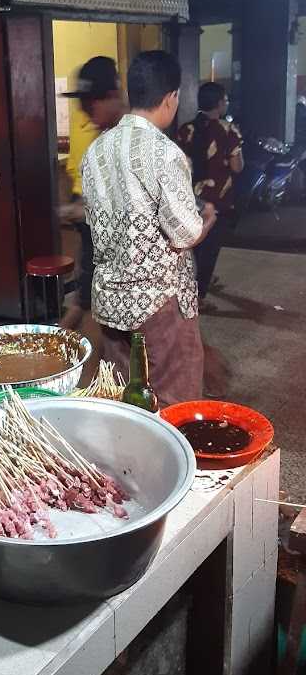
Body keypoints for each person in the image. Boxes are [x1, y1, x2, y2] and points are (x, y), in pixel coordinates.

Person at [81, 50, 216, 408]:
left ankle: (131, 463)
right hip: (159, 305)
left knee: (126, 399)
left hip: (111, 301)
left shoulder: (95, 152)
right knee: (175, 401)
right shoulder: (164, 153)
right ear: (171, 98)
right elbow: (185, 232)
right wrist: (207, 219)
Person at [59, 56, 123, 329]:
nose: (84, 112)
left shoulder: (128, 139)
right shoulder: (103, 136)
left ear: (111, 96)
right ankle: (78, 308)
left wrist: (84, 209)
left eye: (89, 103)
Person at [177, 82, 244, 309]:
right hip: (218, 201)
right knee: (211, 249)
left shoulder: (185, 130)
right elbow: (237, 167)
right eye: (225, 100)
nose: (226, 104)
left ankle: (200, 280)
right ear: (218, 104)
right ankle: (199, 296)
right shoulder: (228, 130)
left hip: (192, 199)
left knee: (196, 245)